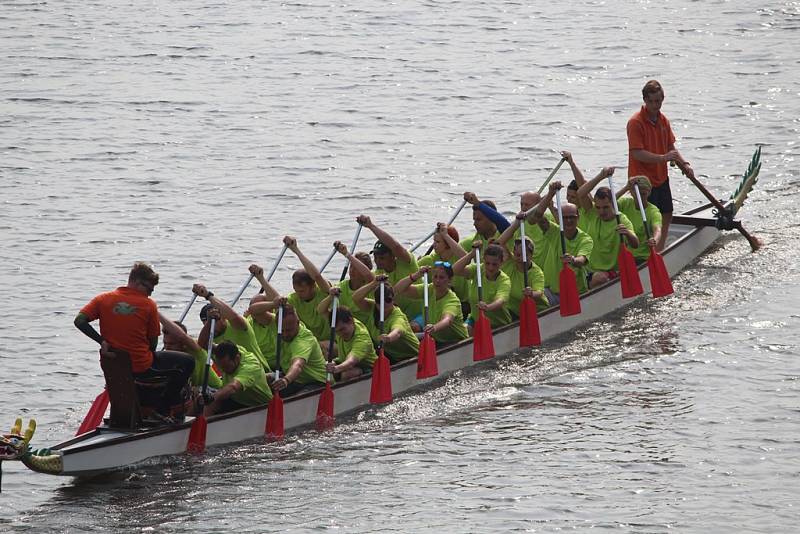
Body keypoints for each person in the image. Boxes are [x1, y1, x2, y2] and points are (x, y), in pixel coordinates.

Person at [74, 262, 194, 422]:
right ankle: (162, 409)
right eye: (149, 290)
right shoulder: (148, 305)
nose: (150, 295)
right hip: (141, 367)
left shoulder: (102, 299)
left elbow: (80, 321)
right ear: (138, 283)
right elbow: (153, 344)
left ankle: (135, 412)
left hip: (113, 366)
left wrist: (101, 341)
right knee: (188, 362)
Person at [627, 79, 695, 251]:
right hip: (641, 180)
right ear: (645, 100)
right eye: (652, 101)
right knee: (647, 216)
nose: (656, 105)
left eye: (659, 100)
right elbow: (637, 152)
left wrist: (684, 163)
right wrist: (663, 158)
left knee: (666, 212)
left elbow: (670, 147)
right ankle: (644, 252)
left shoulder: (663, 120)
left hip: (660, 177)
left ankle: (660, 249)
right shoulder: (635, 122)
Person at [531, 182, 594, 304]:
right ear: (559, 218)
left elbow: (582, 260)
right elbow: (536, 216)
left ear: (578, 218)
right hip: (551, 291)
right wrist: (550, 194)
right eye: (565, 218)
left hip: (575, 292)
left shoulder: (585, 239)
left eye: (572, 217)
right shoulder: (554, 232)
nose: (569, 220)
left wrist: (573, 260)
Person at [576, 167, 639, 288]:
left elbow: (635, 243)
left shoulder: (621, 220)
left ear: (613, 204)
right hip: (588, 270)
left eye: (605, 207)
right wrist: (601, 175)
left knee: (601, 278)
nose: (601, 211)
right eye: (598, 207)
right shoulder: (592, 213)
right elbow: (581, 193)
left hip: (610, 272)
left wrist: (627, 233)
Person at [356, 214, 420, 318]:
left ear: (393, 256)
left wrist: (371, 226)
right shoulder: (378, 274)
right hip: (397, 317)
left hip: (419, 315)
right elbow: (367, 275)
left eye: (382, 258)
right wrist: (347, 255)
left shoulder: (407, 262)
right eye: (375, 257)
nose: (377, 261)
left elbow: (396, 246)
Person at [193, 283, 268, 371]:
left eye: (215, 320)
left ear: (224, 317)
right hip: (231, 378)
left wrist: (207, 295)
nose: (211, 327)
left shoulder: (239, 326)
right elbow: (202, 344)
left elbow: (233, 315)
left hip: (260, 373)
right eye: (205, 323)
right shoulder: (208, 336)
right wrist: (209, 322)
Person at [393, 264, 469, 344]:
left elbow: (447, 320)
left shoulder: (452, 300)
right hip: (437, 339)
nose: (437, 281)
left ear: (450, 280)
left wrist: (434, 327)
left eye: (441, 277)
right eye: (435, 277)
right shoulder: (428, 289)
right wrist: (417, 275)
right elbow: (398, 289)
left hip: (457, 341)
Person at [352, 275, 420, 362]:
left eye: (388, 300)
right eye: (380, 301)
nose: (384, 304)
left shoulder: (397, 316)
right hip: (390, 356)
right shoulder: (372, 308)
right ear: (376, 302)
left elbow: (397, 331)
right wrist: (374, 283)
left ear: (393, 300)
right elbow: (355, 298)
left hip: (410, 355)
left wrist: (388, 338)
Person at [270, 302, 328, 397]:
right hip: (295, 380)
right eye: (282, 331)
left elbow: (298, 365)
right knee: (265, 378)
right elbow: (255, 312)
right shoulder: (277, 323)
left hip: (316, 382)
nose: (284, 334)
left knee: (298, 397)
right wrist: (273, 303)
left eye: (288, 330)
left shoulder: (304, 340)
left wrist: (286, 380)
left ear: (297, 323)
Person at [452, 241, 512, 332]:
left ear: (501, 262)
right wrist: (471, 254)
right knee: (464, 331)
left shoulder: (504, 281)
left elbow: (500, 301)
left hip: (498, 323)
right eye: (487, 263)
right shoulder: (478, 270)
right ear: (483, 260)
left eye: (494, 264)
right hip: (475, 319)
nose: (491, 268)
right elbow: (454, 271)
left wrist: (488, 307)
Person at [284, 236, 333, 343]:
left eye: (302, 291)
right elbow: (276, 302)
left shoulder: (325, 291)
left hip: (331, 342)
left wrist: (296, 250)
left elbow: (317, 276)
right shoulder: (293, 299)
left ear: (313, 286)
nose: (299, 294)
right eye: (296, 290)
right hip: (309, 343)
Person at [204, 341, 272, 415]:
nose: (223, 370)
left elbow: (233, 387)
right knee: (205, 402)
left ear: (237, 358)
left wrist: (212, 397)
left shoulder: (250, 367)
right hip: (237, 399)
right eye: (220, 367)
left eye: (226, 367)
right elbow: (203, 342)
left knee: (213, 400)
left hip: (258, 405)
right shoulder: (229, 351)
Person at [159, 312, 223, 391]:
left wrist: (155, 312)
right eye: (165, 343)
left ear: (184, 344)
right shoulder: (168, 357)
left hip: (213, 390)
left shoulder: (196, 351)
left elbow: (182, 336)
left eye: (172, 344)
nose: (167, 347)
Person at [495, 224, 549, 315]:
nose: (520, 259)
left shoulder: (536, 273)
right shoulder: (509, 263)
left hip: (538, 310)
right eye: (517, 255)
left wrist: (531, 293)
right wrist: (517, 222)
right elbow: (499, 243)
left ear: (531, 255)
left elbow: (539, 292)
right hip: (515, 311)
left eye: (524, 255)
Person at [323, 301, 377, 381]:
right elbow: (321, 310)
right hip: (345, 360)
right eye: (337, 331)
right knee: (324, 366)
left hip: (370, 369)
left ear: (351, 321)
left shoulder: (362, 338)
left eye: (342, 329)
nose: (340, 334)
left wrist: (336, 368)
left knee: (348, 373)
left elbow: (351, 361)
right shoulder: (343, 323)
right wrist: (330, 296)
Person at [615, 175, 663, 261]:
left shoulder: (653, 211)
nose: (640, 197)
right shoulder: (625, 203)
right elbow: (610, 202)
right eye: (637, 194)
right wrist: (626, 187)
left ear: (649, 192)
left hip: (641, 257)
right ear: (631, 192)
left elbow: (657, 230)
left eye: (643, 194)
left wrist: (654, 239)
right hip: (623, 253)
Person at [330, 240, 376, 327]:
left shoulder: (373, 284)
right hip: (350, 329)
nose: (352, 271)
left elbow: (368, 275)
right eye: (351, 266)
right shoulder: (342, 287)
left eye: (357, 268)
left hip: (371, 328)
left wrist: (347, 254)